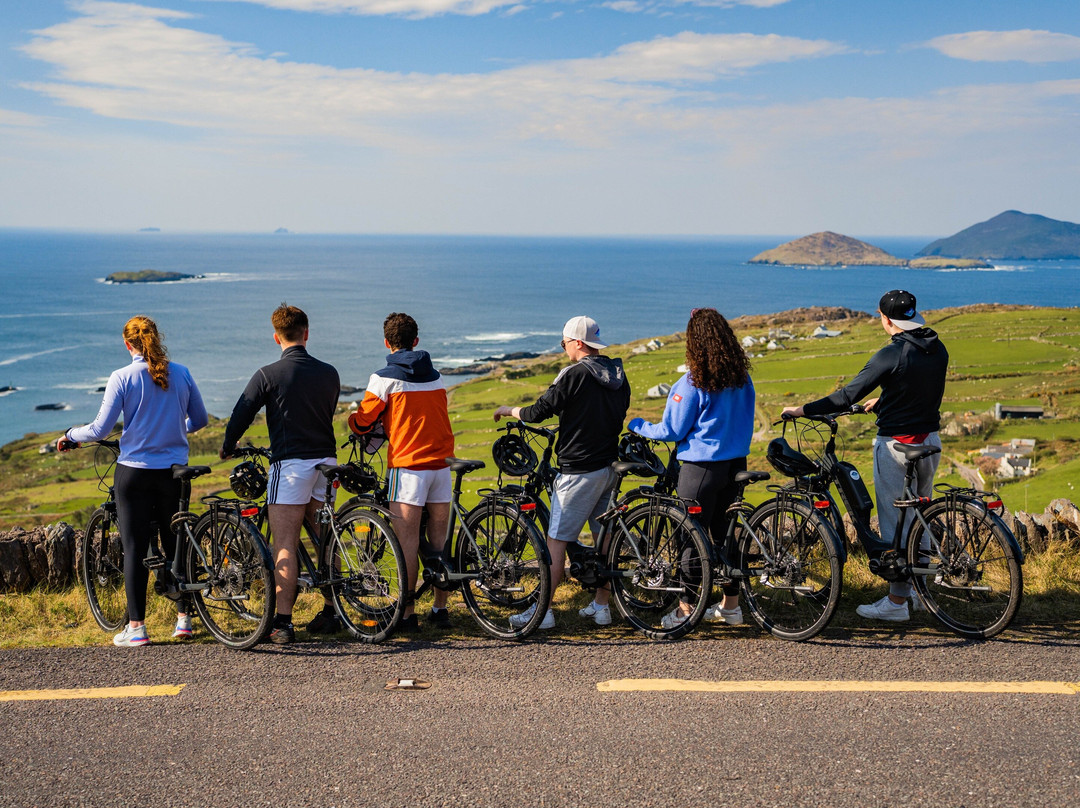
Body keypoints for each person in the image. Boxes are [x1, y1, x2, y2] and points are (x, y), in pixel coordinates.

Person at [781, 290, 949, 622]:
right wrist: (885, 400)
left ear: (886, 320)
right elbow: (919, 387)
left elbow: (847, 396)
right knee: (916, 517)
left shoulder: (891, 354)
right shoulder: (936, 346)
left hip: (898, 445)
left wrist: (802, 409)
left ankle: (897, 603)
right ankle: (919, 591)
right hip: (930, 440)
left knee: (893, 520)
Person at [60, 316, 208, 647]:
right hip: (174, 472)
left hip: (135, 473)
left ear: (128, 345)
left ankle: (137, 627)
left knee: (135, 548)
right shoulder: (181, 373)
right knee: (176, 544)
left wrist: (71, 435)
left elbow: (99, 429)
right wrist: (172, 428)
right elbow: (199, 420)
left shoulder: (122, 377)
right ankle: (184, 619)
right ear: (156, 339)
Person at [494, 315, 631, 630]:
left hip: (578, 471)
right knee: (603, 537)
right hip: (608, 467)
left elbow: (539, 411)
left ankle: (542, 613)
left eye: (565, 342)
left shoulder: (573, 374)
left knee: (555, 542)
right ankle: (601, 606)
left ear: (578, 343)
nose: (563, 347)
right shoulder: (618, 373)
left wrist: (508, 410)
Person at [627, 307, 755, 629]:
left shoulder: (693, 382)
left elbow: (671, 430)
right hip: (735, 463)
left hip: (700, 468)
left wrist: (639, 424)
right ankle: (730, 607)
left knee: (688, 540)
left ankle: (685, 609)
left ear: (694, 342)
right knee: (726, 538)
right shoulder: (742, 378)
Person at [220, 304, 340, 644]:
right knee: (326, 540)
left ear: (276, 337)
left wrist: (229, 444)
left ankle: (283, 623)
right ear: (306, 333)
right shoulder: (330, 372)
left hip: (291, 464)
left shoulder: (267, 374)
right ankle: (333, 610)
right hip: (327, 463)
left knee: (284, 543)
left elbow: (241, 412)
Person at [348, 313, 456, 632]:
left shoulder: (384, 378)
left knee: (405, 541)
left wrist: (353, 423)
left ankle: (407, 614)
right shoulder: (435, 376)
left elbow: (365, 420)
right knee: (438, 541)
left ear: (386, 342)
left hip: (409, 467)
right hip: (443, 464)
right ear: (416, 341)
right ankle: (440, 609)